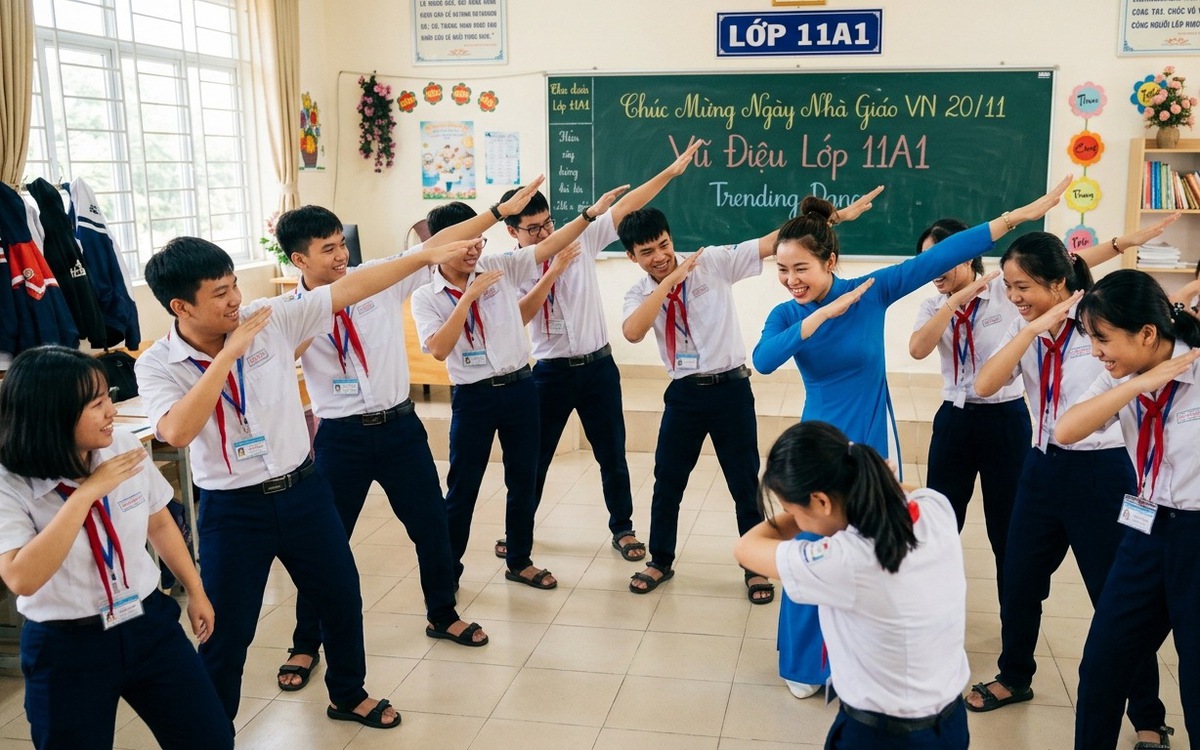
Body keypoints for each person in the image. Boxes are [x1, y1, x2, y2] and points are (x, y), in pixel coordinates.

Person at [135, 234, 474, 729]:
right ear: (180, 306)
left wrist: (422, 256)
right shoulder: (157, 364)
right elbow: (178, 431)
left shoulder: (270, 316)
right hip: (234, 511)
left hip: (303, 491)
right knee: (229, 631)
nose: (235, 300)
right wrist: (229, 355)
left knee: (341, 597)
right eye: (220, 294)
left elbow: (351, 288)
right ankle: (210, 730)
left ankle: (348, 693)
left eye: (234, 286)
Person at [752, 179, 1069, 700]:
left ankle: (859, 653)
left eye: (800, 269)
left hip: (871, 442)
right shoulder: (787, 313)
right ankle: (807, 661)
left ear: (830, 261)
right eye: (782, 270)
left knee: (867, 548)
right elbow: (764, 361)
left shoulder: (873, 291)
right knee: (813, 542)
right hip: (819, 443)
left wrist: (1013, 219)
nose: (790, 280)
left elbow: (943, 255)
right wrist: (819, 318)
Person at [271, 191, 542, 687]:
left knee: (432, 527)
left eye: (340, 244)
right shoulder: (288, 312)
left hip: (399, 429)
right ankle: (305, 643)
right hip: (341, 439)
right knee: (324, 546)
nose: (340, 256)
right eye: (327, 249)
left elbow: (439, 242)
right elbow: (287, 351)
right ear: (299, 260)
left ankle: (442, 613)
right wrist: (313, 313)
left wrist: (500, 213)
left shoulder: (379, 281)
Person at [909, 216, 1177, 599]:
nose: (933, 269)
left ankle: (1012, 618)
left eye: (942, 258)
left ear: (968, 257)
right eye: (926, 262)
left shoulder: (1007, 293)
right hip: (957, 414)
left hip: (1009, 419)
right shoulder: (936, 305)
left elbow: (1067, 265)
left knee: (1009, 530)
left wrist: (1120, 244)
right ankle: (935, 603)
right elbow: (919, 350)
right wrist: (951, 304)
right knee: (943, 517)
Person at [969, 235, 1166, 745]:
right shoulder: (1026, 329)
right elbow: (986, 385)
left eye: (1024, 286)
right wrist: (1030, 327)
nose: (1013, 296)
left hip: (1102, 474)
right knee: (1019, 580)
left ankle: (1147, 711)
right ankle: (1015, 675)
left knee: (1116, 598)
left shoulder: (1102, 334)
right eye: (1009, 286)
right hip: (1040, 468)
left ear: (1060, 283)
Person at [0, 346, 232, 750]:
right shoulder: (10, 481)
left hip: (146, 622)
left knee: (208, 736)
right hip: (67, 644)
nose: (111, 410)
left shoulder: (121, 443)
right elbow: (22, 577)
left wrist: (196, 590)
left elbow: (158, 520)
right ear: (51, 413)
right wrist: (85, 494)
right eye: (96, 403)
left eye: (108, 396)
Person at [491, 141, 702, 565]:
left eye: (547, 223)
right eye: (532, 229)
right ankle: (519, 532)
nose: (545, 234)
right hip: (548, 373)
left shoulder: (580, 240)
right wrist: (552, 273)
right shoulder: (508, 267)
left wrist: (670, 174)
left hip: (597, 366)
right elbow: (518, 319)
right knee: (534, 459)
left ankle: (622, 528)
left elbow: (627, 207)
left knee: (612, 453)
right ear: (511, 232)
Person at [411, 187, 623, 590]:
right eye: (464, 243)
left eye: (478, 239)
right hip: (473, 397)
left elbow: (553, 245)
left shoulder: (500, 265)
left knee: (523, 479)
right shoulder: (426, 295)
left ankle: (520, 559)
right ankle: (447, 568)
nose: (474, 250)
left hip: (520, 389)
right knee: (463, 486)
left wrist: (590, 214)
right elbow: (438, 349)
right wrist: (467, 298)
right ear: (438, 247)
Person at [733, 421, 969, 750]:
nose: (796, 521)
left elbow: (745, 548)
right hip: (951, 725)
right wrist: (851, 492)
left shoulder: (845, 560)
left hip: (882, 737)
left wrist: (810, 510)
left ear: (821, 501)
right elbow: (903, 492)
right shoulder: (935, 508)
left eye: (792, 510)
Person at [619, 204, 798, 602]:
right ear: (631, 257)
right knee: (668, 481)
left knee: (743, 482)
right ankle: (660, 560)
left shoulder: (713, 262)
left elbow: (773, 242)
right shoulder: (639, 293)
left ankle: (756, 566)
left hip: (730, 391)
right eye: (646, 252)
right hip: (684, 395)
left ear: (671, 237)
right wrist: (668, 283)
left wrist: (827, 219)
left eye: (663, 245)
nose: (660, 256)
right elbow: (632, 332)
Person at [1054, 270, 1200, 750]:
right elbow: (1066, 430)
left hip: (1196, 535)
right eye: (1091, 338)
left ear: (1147, 333)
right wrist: (1142, 383)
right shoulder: (1121, 374)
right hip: (1145, 527)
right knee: (1102, 664)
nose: (1096, 350)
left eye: (1103, 338)